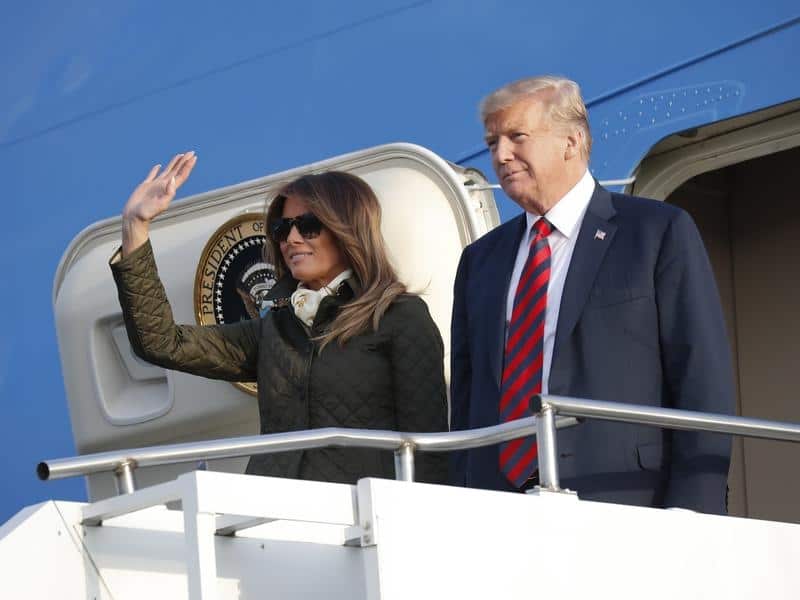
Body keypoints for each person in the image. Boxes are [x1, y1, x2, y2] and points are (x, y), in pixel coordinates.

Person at [449, 76, 734, 513]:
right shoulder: (480, 260)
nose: (501, 155)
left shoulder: (657, 232)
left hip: (624, 501)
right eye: (493, 143)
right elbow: (467, 404)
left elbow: (701, 379)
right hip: (497, 507)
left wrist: (694, 514)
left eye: (516, 137)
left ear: (571, 140)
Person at [111, 152, 448, 484]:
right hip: (272, 522)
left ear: (348, 230)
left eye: (309, 225)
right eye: (282, 227)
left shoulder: (400, 317)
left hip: (363, 525)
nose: (291, 238)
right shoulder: (275, 328)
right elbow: (161, 342)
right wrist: (135, 226)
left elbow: (428, 452)